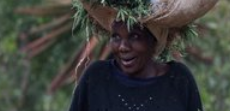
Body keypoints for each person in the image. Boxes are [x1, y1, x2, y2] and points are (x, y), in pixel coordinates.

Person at [68, 21, 203, 111]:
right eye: (116, 37)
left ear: (154, 41)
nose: (122, 47)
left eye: (135, 36)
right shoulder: (97, 77)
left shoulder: (178, 80)